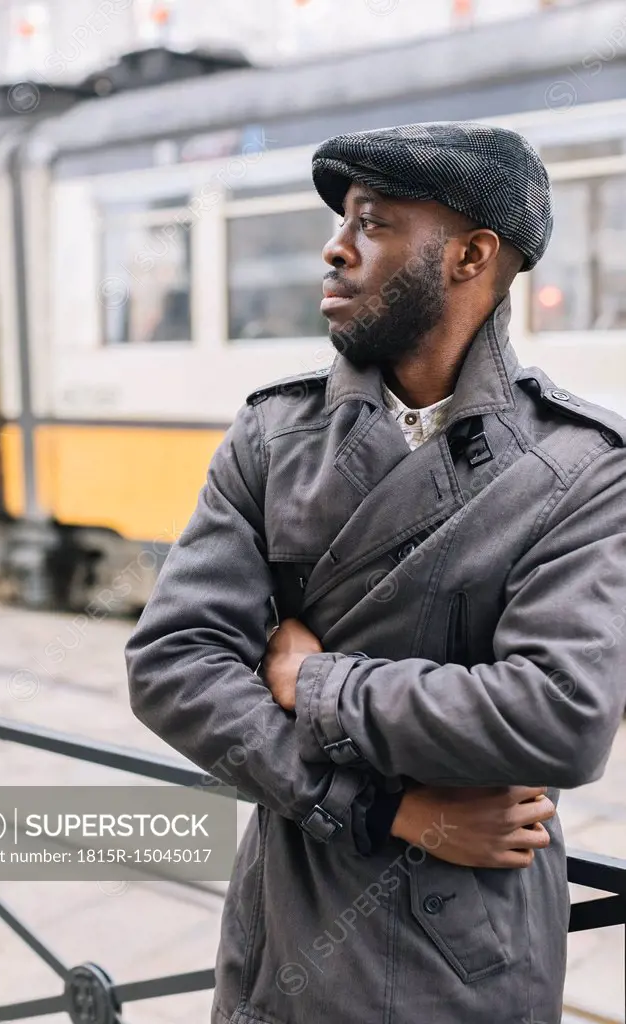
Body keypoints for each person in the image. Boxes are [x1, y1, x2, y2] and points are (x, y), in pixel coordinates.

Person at [125, 122, 626, 1024]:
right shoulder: (274, 438)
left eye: (374, 222)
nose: (334, 245)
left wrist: (311, 681)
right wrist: (379, 811)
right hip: (291, 920)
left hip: (469, 955)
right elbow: (173, 665)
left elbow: (562, 713)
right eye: (343, 220)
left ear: (471, 256)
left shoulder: (582, 469)